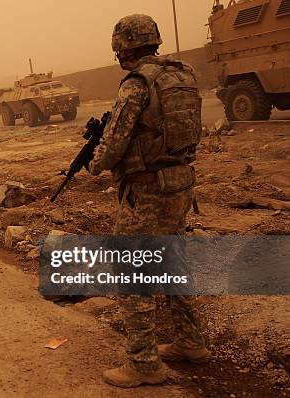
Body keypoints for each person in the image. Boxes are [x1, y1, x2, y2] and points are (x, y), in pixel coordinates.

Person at [87, 14, 211, 388]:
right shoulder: (183, 74)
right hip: (180, 184)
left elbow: (114, 143)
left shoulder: (137, 83)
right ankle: (191, 343)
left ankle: (143, 364)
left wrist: (95, 164)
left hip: (147, 192)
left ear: (124, 47)